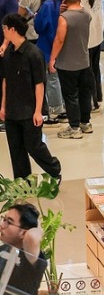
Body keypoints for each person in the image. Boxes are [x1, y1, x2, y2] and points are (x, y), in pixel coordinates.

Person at [0, 15, 61, 179]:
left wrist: (38, 111)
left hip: (29, 110)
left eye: (4, 28)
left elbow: (39, 84)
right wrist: (3, 106)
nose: (3, 31)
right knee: (15, 149)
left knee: (34, 146)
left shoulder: (33, 54)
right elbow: (5, 81)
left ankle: (54, 170)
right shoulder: (8, 54)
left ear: (13, 30)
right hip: (12, 110)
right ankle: (22, 181)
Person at [50, 0, 93, 140]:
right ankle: (85, 123)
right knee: (84, 93)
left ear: (64, 0)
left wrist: (52, 58)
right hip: (84, 60)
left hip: (67, 63)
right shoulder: (86, 15)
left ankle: (74, 127)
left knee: (70, 96)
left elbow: (59, 39)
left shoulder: (64, 18)